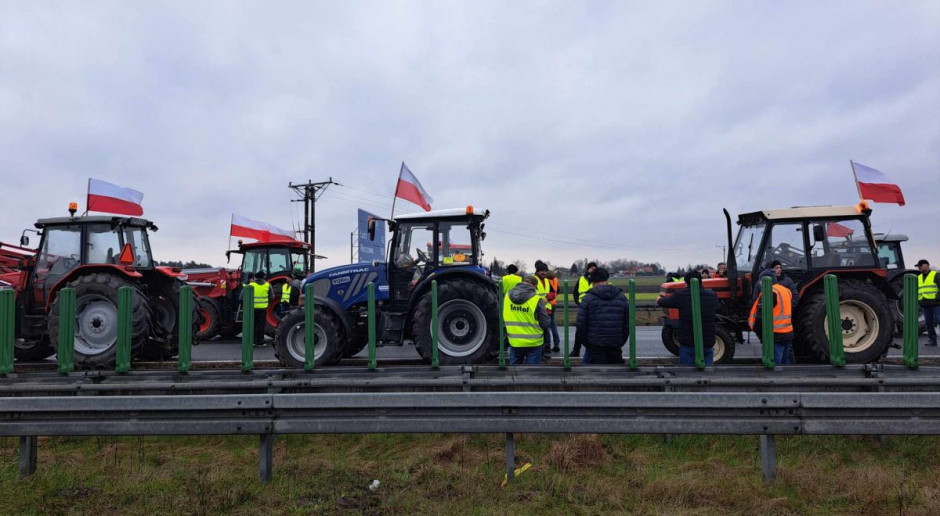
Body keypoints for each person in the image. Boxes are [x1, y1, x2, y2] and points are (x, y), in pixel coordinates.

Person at [657, 270, 719, 365]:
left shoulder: (681, 295)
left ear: (686, 282)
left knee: (687, 374)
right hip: (708, 342)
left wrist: (659, 299)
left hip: (688, 342)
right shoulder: (713, 295)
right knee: (707, 374)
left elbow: (664, 302)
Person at [575, 268, 629, 364]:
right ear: (607, 279)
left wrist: (587, 343)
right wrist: (620, 341)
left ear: (592, 282)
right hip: (615, 343)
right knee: (617, 373)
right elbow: (627, 323)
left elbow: (581, 324)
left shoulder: (588, 299)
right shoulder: (622, 297)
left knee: (595, 373)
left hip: (595, 344)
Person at [748, 268, 795, 364]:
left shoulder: (769, 293)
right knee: (786, 363)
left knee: (773, 364)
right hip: (788, 332)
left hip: (775, 334)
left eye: (761, 281)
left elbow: (761, 316)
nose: (759, 283)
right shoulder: (785, 290)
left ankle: (774, 379)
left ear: (765, 280)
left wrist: (758, 331)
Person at [503, 276, 552, 365]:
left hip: (515, 341)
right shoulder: (536, 298)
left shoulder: (507, 296)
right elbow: (545, 323)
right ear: (534, 286)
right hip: (534, 342)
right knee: (532, 373)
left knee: (514, 373)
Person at [571, 262, 596, 357]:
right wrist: (578, 302)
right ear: (588, 269)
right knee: (580, 329)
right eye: (591, 268)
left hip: (595, 308)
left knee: (593, 330)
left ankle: (591, 352)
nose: (593, 269)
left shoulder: (598, 279)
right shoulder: (581, 279)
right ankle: (576, 350)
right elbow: (575, 292)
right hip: (583, 307)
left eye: (594, 268)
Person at [533, 260, 555, 358]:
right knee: (539, 331)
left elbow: (553, 293)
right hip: (537, 309)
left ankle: (546, 350)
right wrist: (546, 297)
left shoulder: (547, 281)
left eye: (545, 271)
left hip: (547, 309)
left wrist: (548, 297)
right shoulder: (533, 280)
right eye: (541, 271)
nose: (543, 272)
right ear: (537, 271)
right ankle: (539, 351)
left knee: (546, 331)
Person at [917, 259, 940, 346]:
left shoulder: (935, 275)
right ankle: (932, 341)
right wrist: (919, 301)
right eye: (918, 266)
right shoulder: (918, 277)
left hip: (935, 303)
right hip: (925, 304)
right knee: (928, 323)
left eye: (921, 265)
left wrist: (937, 298)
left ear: (927, 265)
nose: (919, 267)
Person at [248, 271, 273, 346]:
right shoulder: (268, 285)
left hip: (253, 308)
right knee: (261, 325)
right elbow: (272, 296)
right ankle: (260, 341)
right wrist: (266, 302)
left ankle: (253, 341)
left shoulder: (251, 285)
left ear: (256, 277)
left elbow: (242, 297)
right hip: (263, 308)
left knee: (253, 325)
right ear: (263, 277)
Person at [545, 271, 561, 352]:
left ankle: (547, 345)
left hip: (547, 303)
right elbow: (558, 289)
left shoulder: (545, 279)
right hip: (553, 303)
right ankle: (556, 344)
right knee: (553, 324)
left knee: (546, 325)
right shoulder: (554, 278)